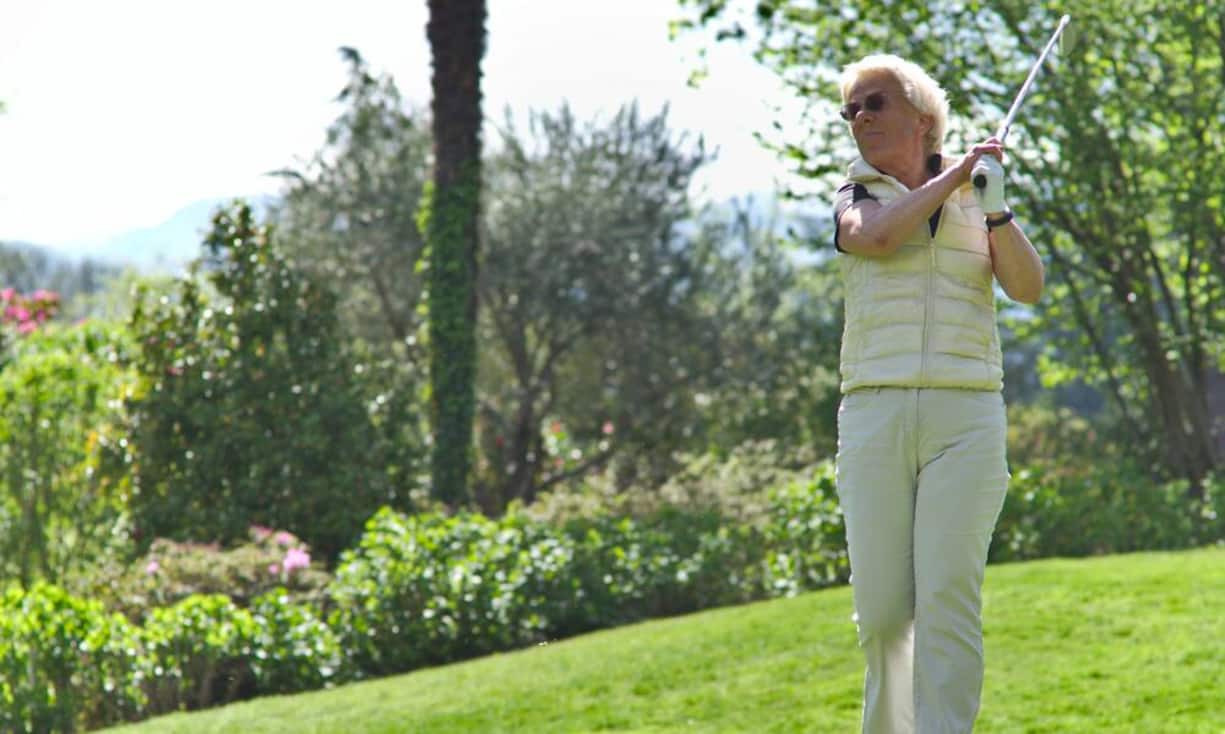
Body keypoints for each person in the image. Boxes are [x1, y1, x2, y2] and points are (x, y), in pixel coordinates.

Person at [831, 54, 1044, 733]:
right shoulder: (853, 196)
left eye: (873, 103)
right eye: (851, 110)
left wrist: (995, 207)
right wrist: (957, 175)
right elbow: (881, 236)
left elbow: (1027, 287)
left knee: (948, 599)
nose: (858, 117)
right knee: (886, 613)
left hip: (965, 414)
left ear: (922, 118)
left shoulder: (979, 195)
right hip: (873, 413)